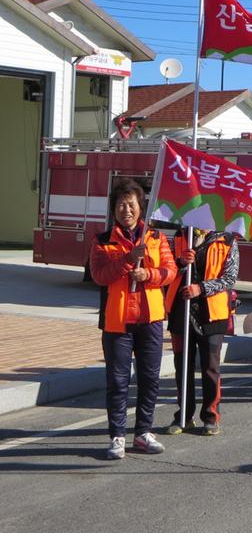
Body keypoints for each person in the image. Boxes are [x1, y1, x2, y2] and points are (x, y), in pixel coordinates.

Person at [89, 178, 177, 460]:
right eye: (120, 205)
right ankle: (117, 436)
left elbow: (170, 271)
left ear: (141, 208)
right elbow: (100, 276)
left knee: (150, 378)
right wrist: (128, 259)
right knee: (117, 381)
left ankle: (142, 433)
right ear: (114, 209)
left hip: (150, 319)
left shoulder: (156, 237)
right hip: (117, 322)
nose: (126, 210)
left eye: (131, 204)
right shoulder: (102, 241)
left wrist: (148, 275)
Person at [165, 228, 238, 435]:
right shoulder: (180, 236)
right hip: (181, 310)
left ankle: (211, 416)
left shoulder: (228, 240)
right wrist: (180, 263)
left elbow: (230, 278)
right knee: (182, 366)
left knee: (211, 367)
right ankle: (183, 416)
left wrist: (202, 288)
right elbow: (166, 271)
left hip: (213, 313)